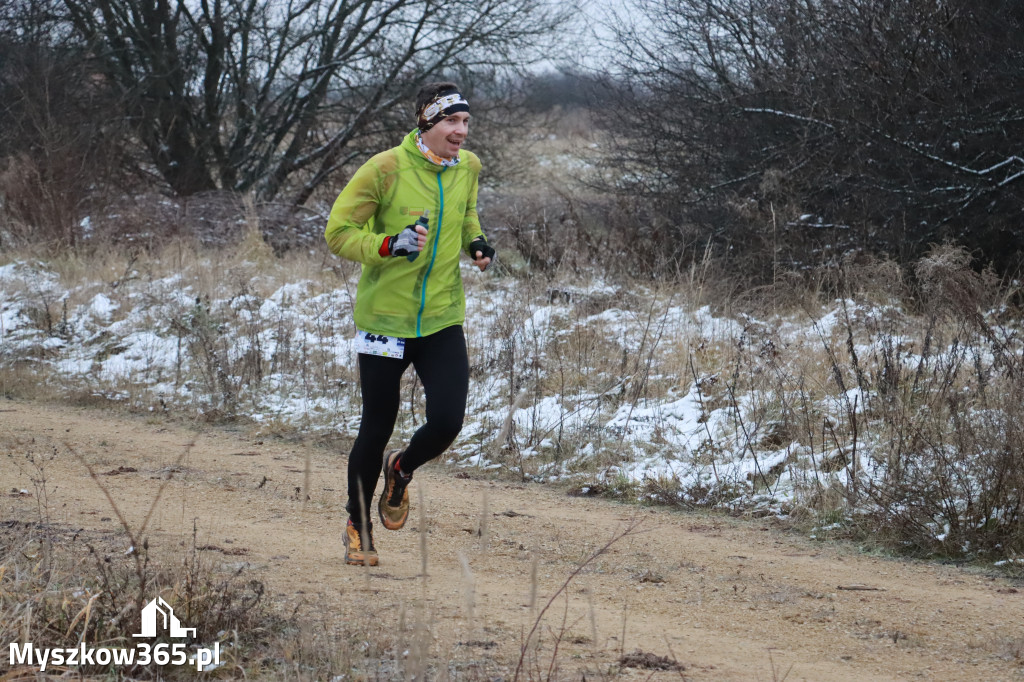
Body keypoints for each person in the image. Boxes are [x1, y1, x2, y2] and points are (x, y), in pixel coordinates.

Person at [324, 82, 496, 566]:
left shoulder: (468, 167)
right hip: (385, 320)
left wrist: (476, 242)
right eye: (452, 122)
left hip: (441, 317)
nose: (461, 132)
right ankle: (358, 525)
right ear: (427, 123)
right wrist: (387, 245)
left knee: (447, 421)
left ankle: (401, 469)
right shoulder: (384, 169)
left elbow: (466, 214)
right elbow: (338, 233)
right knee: (376, 424)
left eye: (465, 122)